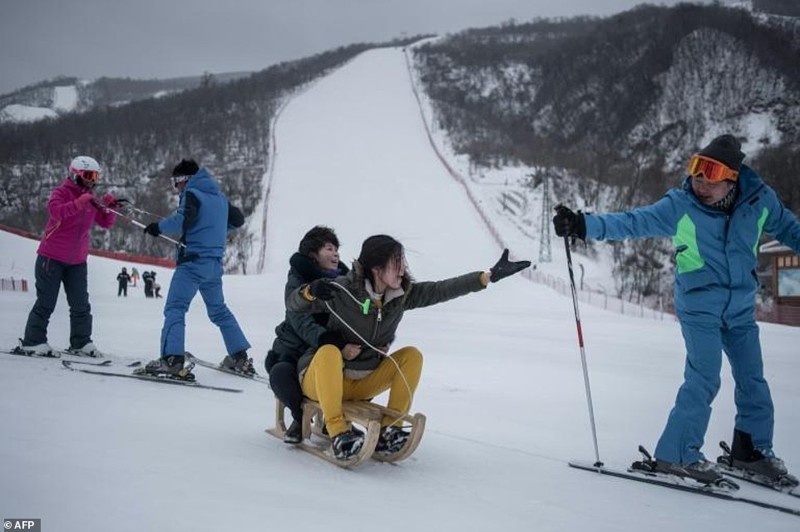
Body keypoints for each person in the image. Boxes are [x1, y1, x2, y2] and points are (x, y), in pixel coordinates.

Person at [552, 134, 800, 485]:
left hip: (741, 306)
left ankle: (751, 450)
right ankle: (677, 454)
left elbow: (790, 229)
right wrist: (582, 224)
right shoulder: (681, 205)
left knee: (753, 378)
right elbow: (633, 222)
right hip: (700, 305)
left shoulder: (760, 201)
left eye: (710, 178)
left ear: (732, 179)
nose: (700, 185)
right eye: (696, 175)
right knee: (704, 376)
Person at [286, 234, 531, 460]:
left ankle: (390, 430)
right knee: (329, 350)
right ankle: (339, 434)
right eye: (396, 263)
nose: (403, 269)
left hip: (361, 383)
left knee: (411, 355)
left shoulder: (400, 296)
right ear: (376, 267)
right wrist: (309, 292)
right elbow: (293, 305)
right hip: (321, 381)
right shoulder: (341, 290)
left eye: (402, 262)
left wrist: (486, 276)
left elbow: (441, 289)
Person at [141, 159, 253, 380]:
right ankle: (239, 358)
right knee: (219, 310)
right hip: (213, 266)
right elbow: (238, 220)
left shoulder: (192, 193)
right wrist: (217, 227)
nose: (176, 187)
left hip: (192, 263)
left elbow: (183, 220)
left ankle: (171, 360)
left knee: (175, 307)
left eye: (176, 181)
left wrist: (158, 227)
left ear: (185, 179)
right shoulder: (219, 196)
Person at [13, 155, 118, 357]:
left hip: (77, 261)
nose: (92, 180)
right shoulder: (61, 192)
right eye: (88, 175)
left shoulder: (90, 197)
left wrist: (110, 208)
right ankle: (33, 341)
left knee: (81, 304)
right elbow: (55, 211)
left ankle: (81, 343)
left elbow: (105, 222)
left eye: (95, 175)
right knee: (46, 302)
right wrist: (78, 203)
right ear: (76, 174)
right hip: (51, 257)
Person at [265, 225, 351, 444]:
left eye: (336, 249)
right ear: (313, 253)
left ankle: (336, 419)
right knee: (282, 372)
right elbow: (299, 320)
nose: (336, 254)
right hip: (294, 350)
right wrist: (327, 340)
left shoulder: (343, 279)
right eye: (329, 249)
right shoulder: (298, 279)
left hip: (325, 351)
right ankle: (299, 416)